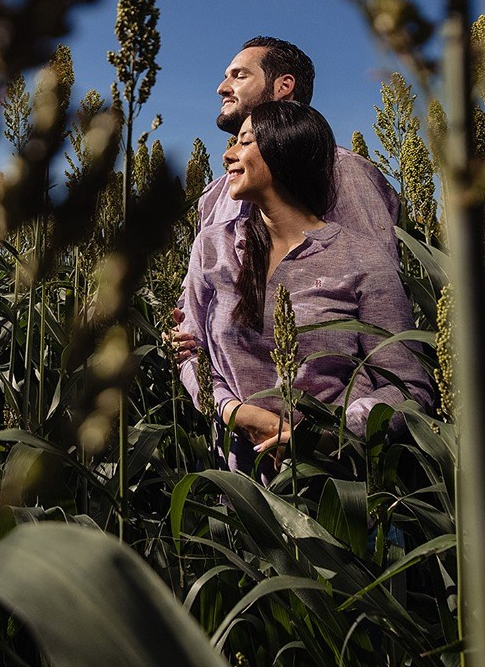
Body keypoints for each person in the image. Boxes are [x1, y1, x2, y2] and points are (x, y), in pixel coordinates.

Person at [177, 100, 432, 461]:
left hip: (332, 481)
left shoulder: (363, 259)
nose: (228, 154)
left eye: (244, 142)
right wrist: (235, 412)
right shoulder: (212, 247)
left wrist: (322, 437)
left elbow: (408, 387)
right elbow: (190, 352)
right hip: (237, 482)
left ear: (284, 149)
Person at [173, 36, 415, 362]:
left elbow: (381, 308)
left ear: (284, 86)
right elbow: (196, 311)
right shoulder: (215, 194)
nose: (222, 87)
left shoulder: (341, 171)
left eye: (239, 75)